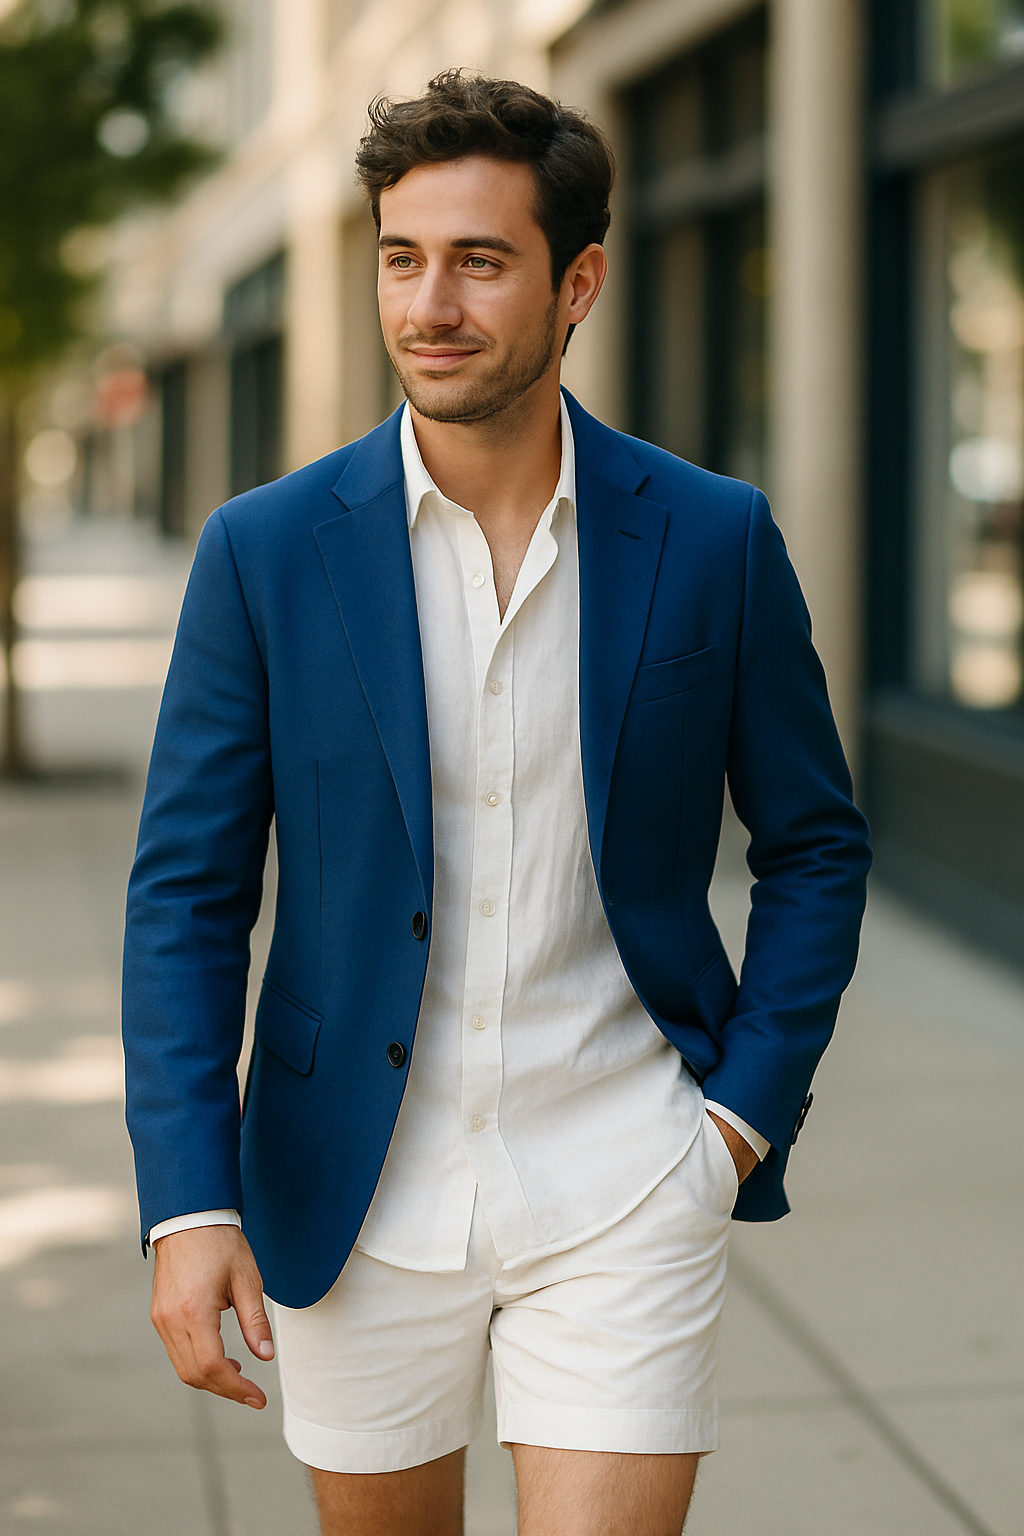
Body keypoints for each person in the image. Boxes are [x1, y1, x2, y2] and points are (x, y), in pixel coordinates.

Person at [123, 71, 871, 1536]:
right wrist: (188, 1201)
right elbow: (189, 896)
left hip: (627, 1176)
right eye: (403, 258)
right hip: (354, 1186)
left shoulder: (712, 538)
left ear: (577, 279)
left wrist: (736, 1124)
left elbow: (815, 844)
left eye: (480, 260)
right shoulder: (264, 552)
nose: (429, 304)